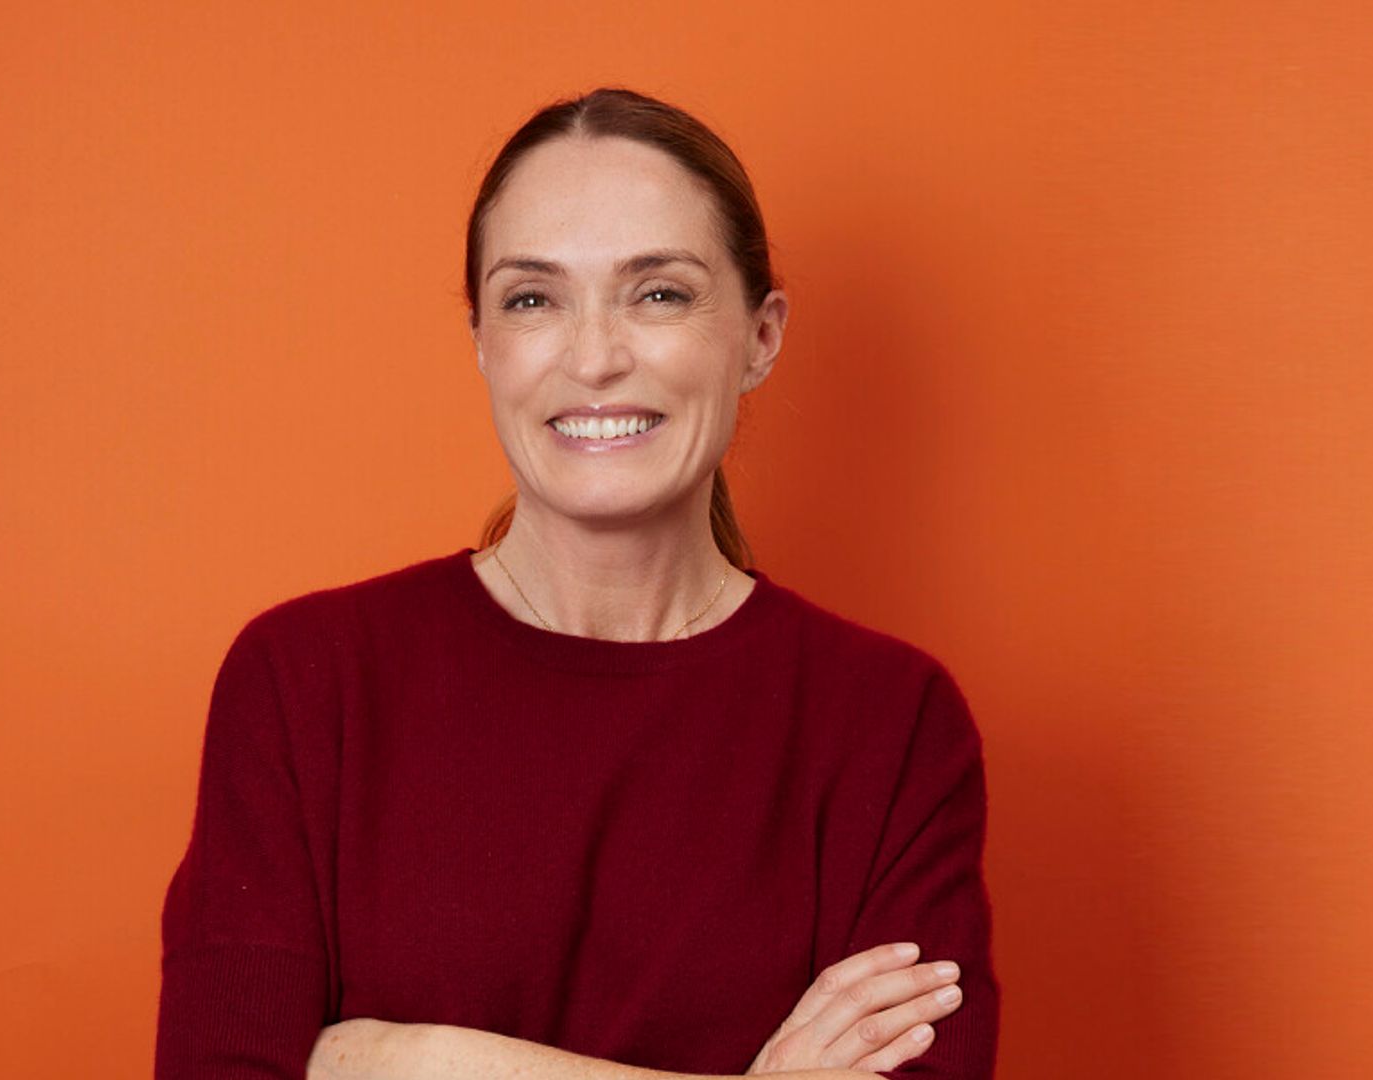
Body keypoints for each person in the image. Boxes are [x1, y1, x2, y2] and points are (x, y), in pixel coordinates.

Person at [154, 87, 1000, 1080]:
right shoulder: (306, 682)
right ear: (482, 341)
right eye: (532, 299)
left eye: (659, 293)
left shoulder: (890, 722)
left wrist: (402, 1062)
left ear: (762, 336)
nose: (594, 356)